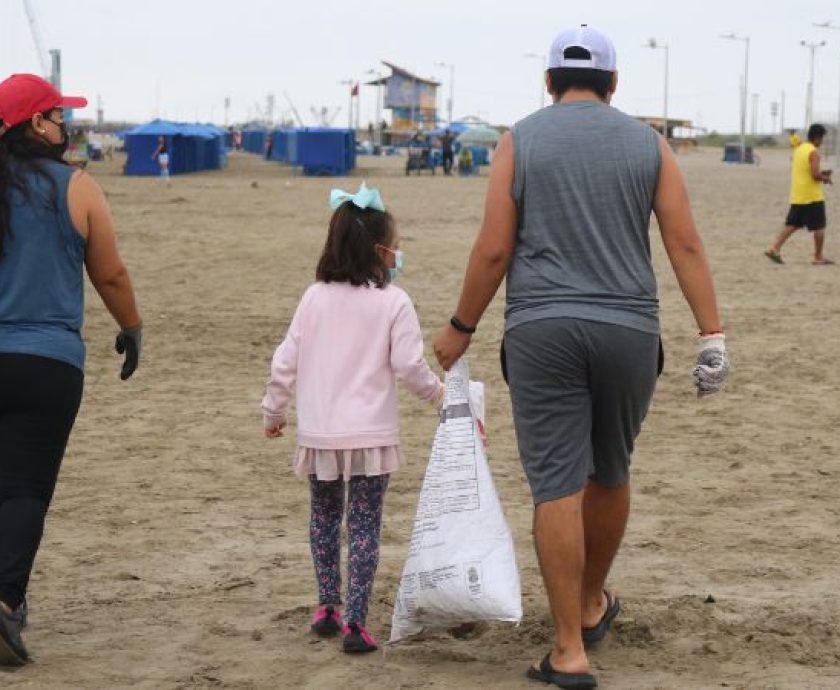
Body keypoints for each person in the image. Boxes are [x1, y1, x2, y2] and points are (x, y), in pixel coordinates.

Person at [432, 25, 728, 689]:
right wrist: (712, 335)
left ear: (548, 82)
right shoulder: (649, 145)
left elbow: (492, 250)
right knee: (611, 470)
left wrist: (461, 327)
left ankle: (569, 648)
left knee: (556, 484)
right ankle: (592, 598)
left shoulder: (520, 140)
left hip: (544, 330)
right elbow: (685, 245)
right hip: (629, 331)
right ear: (614, 84)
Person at [261, 182, 443, 655]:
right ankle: (356, 623)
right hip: (371, 435)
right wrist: (439, 396)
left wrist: (274, 410)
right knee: (364, 526)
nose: (399, 254)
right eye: (396, 246)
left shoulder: (314, 297)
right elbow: (409, 367)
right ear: (380, 251)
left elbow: (286, 359)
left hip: (320, 431)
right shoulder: (394, 302)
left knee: (323, 517)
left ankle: (327, 605)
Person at [0, 73, 143, 666]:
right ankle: (6, 604)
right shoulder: (77, 186)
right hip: (47, 362)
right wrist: (131, 328)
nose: (68, 125)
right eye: (60, 115)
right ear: (37, 123)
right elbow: (108, 273)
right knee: (24, 487)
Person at [765, 123, 833, 265]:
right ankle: (818, 257)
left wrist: (821, 174)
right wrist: (825, 178)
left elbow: (807, 170)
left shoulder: (800, 149)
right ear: (817, 137)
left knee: (793, 224)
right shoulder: (813, 152)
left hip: (798, 193)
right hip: (812, 196)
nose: (822, 142)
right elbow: (815, 175)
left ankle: (774, 248)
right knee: (820, 227)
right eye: (822, 139)